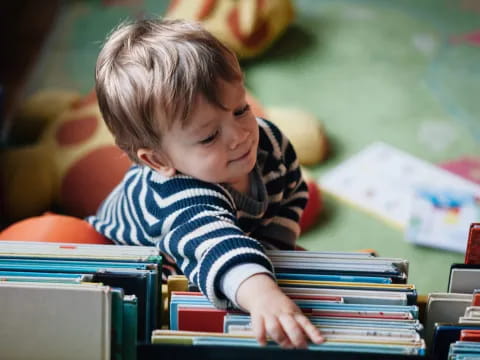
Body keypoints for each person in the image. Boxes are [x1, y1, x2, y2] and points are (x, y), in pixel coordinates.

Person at [87, 18, 324, 349]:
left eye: (241, 109)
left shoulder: (269, 142)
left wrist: (274, 250)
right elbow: (215, 244)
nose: (240, 136)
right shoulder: (180, 197)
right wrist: (262, 294)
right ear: (159, 161)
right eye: (210, 136)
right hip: (132, 260)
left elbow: (292, 192)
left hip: (228, 237)